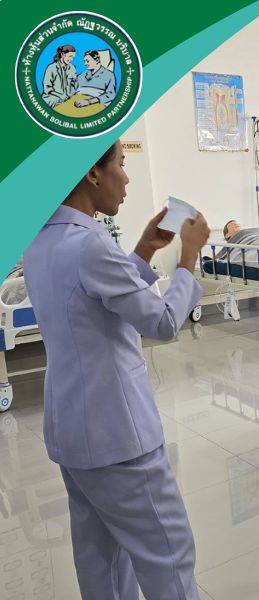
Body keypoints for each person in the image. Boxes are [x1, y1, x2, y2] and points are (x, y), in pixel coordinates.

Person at [22, 140, 210, 599]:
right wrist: (188, 260)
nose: (126, 178)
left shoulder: (40, 239)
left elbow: (95, 298)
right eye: (122, 165)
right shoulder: (90, 243)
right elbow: (162, 322)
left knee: (100, 558)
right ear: (93, 173)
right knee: (168, 556)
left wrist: (143, 250)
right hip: (118, 435)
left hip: (72, 429)